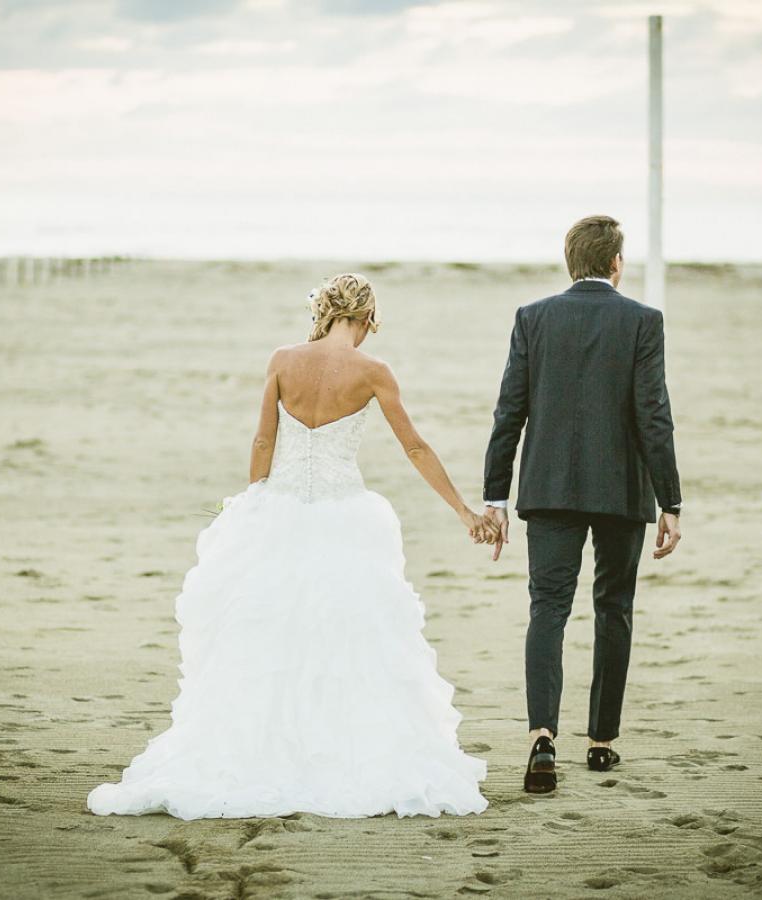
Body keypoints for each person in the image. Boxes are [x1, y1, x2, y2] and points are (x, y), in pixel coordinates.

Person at [87, 273, 493, 820]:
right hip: (345, 519)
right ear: (367, 319)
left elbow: (263, 440)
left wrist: (253, 504)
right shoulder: (373, 371)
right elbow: (414, 447)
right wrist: (465, 511)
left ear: (325, 313)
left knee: (268, 638)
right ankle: (341, 753)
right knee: (350, 640)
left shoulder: (282, 359)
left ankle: (263, 755)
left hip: (277, 512)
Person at [481, 215, 684, 793]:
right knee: (613, 606)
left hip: (548, 487)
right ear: (617, 264)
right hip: (621, 489)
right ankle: (601, 743)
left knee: (548, 607)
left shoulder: (533, 318)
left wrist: (496, 495)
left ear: (570, 262)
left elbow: (508, 412)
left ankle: (542, 738)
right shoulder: (644, 321)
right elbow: (654, 415)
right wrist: (671, 500)